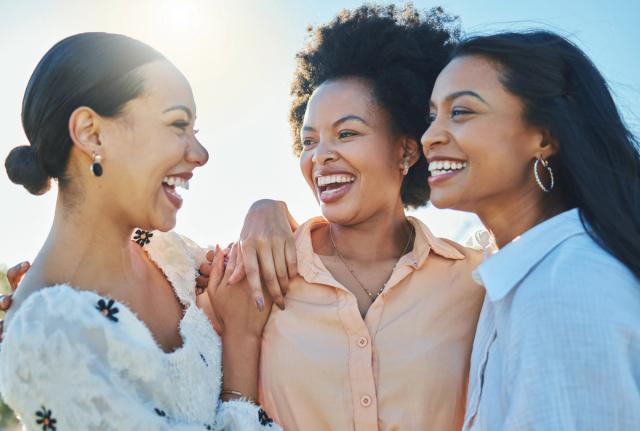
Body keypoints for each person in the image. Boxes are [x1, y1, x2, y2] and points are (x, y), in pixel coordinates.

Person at [0, 32, 280, 430]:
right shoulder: (47, 335)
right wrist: (239, 345)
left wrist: (267, 212)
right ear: (92, 134)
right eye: (178, 124)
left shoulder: (174, 257)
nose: (201, 154)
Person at [256, 6, 484, 430]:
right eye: (309, 141)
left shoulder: (476, 282)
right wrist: (262, 209)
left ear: (406, 151)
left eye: (346, 133)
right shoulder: (264, 270)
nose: (320, 156)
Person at [422, 31, 640, 430]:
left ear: (543, 137)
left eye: (462, 112)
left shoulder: (565, 288)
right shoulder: (513, 275)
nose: (430, 136)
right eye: (432, 115)